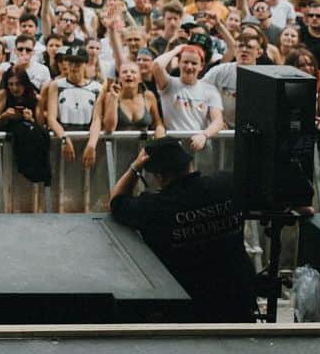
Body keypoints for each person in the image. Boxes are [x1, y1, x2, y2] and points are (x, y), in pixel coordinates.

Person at [110, 138, 256, 322]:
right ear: (189, 163)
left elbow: (116, 201)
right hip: (239, 299)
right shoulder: (227, 184)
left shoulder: (155, 207)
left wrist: (135, 167)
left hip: (189, 309)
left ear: (159, 176)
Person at [152, 44, 224, 151]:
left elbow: (218, 121)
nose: (189, 67)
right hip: (173, 146)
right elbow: (157, 65)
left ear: (201, 66)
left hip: (199, 146)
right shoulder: (168, 84)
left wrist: (204, 135)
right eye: (185, 62)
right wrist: (176, 50)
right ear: (179, 63)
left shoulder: (210, 90)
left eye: (194, 63)